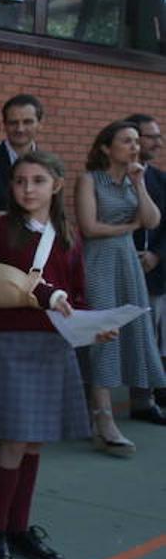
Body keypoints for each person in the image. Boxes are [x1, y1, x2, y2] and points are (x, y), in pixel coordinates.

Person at [0, 152, 111, 559]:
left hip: (52, 344)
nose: (27, 189)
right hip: (12, 343)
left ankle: (19, 527)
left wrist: (93, 324)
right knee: (14, 440)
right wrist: (46, 295)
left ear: (56, 185)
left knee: (34, 443)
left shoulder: (67, 236)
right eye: (19, 181)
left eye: (37, 180)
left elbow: (78, 292)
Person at [75, 120, 166, 456]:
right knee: (103, 335)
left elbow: (153, 219)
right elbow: (89, 226)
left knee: (130, 331)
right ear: (105, 147)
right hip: (99, 262)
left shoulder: (133, 179)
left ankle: (100, 414)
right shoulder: (89, 180)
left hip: (128, 264)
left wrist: (139, 184)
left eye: (135, 141)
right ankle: (103, 417)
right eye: (126, 141)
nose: (134, 146)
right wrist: (129, 226)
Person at [125, 113, 166, 421]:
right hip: (118, 264)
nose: (157, 142)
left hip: (154, 270)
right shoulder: (109, 177)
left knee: (152, 336)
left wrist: (156, 254)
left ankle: (147, 397)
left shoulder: (160, 179)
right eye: (151, 136)